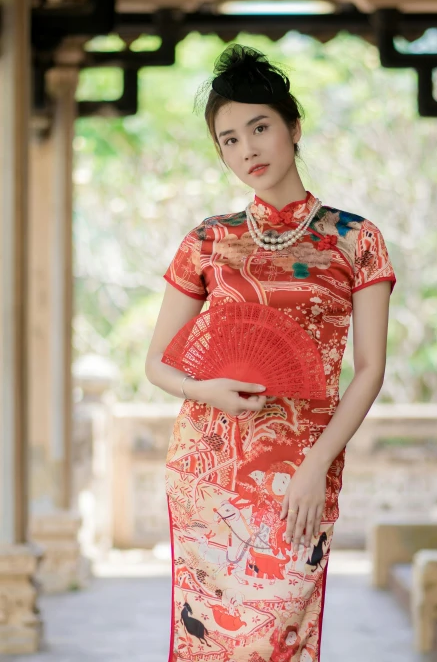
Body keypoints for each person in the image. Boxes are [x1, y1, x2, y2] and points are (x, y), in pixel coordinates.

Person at [145, 43, 396, 662]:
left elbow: (370, 370)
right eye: (228, 139)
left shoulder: (355, 240)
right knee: (210, 646)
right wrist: (204, 391)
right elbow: (158, 364)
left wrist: (316, 466)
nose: (247, 150)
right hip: (209, 472)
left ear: (293, 127)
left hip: (304, 472)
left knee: (281, 635)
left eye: (259, 127)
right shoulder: (208, 241)